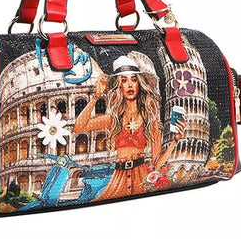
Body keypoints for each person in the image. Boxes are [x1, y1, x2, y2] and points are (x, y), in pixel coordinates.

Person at [74, 55, 186, 200]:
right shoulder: (113, 119)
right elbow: (78, 127)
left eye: (134, 79)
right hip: (118, 179)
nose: (130, 85)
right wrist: (96, 96)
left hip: (142, 177)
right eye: (124, 80)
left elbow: (157, 163)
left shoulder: (150, 121)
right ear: (119, 86)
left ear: (140, 84)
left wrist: (175, 141)